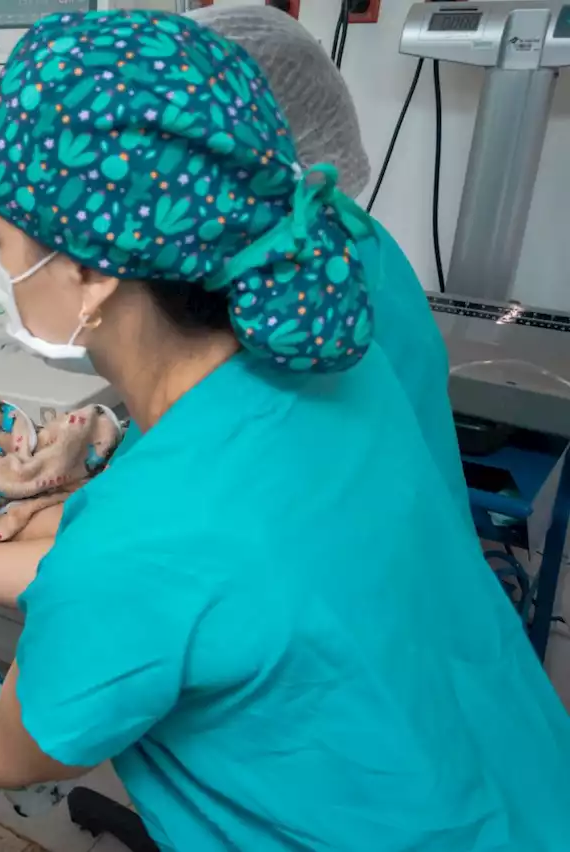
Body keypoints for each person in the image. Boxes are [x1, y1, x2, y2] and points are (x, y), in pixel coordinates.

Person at [0, 11, 570, 851]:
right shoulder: (334, 353)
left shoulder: (138, 542)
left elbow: (9, 742)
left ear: (91, 271)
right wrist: (79, 453)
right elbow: (224, 571)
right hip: (516, 784)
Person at [188, 3, 471, 524]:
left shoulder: (284, 302)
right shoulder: (351, 242)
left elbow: (191, 528)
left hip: (367, 552)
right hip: (418, 545)